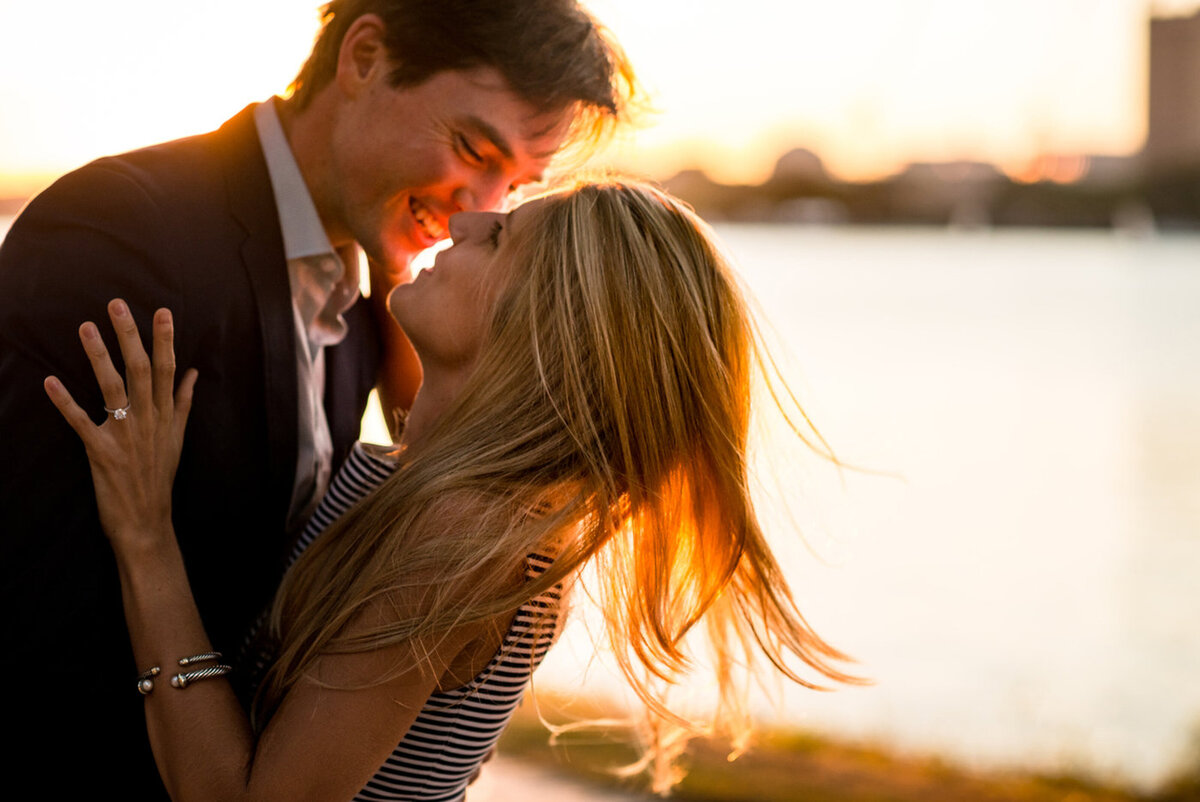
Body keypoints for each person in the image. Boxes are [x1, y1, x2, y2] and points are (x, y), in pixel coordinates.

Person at [45, 179, 860, 800]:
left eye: (500, 236)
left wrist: (145, 536)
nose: (467, 217)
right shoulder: (467, 499)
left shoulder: (462, 535)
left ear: (543, 329)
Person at [0, 1, 632, 795]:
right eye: (474, 148)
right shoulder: (123, 235)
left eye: (514, 186)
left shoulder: (375, 297)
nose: (481, 207)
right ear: (364, 57)